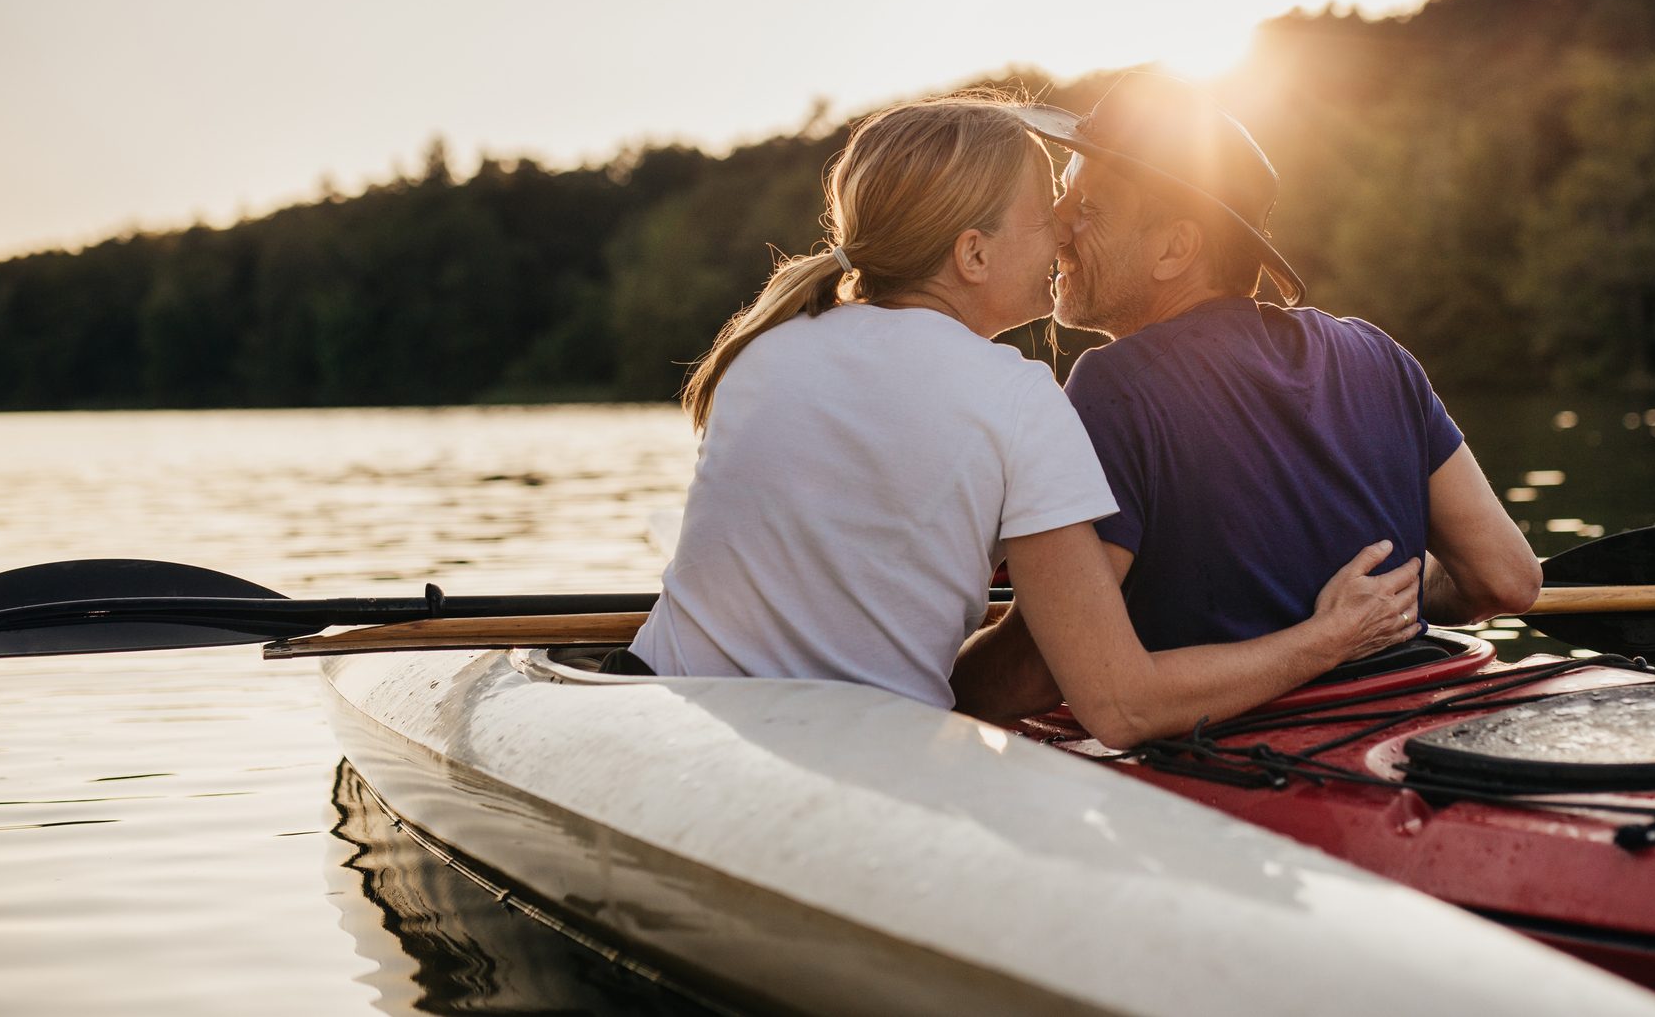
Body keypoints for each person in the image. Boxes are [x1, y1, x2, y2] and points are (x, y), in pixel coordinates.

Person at [629, 92, 1422, 748]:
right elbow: (1120, 704)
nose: (1066, 230)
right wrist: (1329, 637)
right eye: (1047, 212)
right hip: (858, 759)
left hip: (658, 704)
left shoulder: (765, 347)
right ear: (973, 256)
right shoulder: (1017, 396)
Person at [949, 73, 1541, 722]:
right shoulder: (1377, 353)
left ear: (1175, 247)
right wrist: (1393, 603)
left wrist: (917, 685)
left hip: (1244, 767)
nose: (1056, 227)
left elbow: (1032, 676)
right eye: (1063, 195)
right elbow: (1505, 577)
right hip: (1407, 723)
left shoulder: (1111, 386)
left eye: (1087, 208)